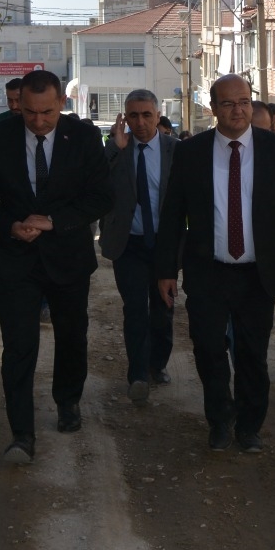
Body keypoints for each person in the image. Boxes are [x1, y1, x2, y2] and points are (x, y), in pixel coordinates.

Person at [154, 74, 275, 454]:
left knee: (252, 354)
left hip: (258, 273)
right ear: (213, 108)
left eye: (244, 102)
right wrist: (165, 270)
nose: (238, 110)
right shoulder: (192, 152)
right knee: (208, 349)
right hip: (208, 271)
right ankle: (220, 420)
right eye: (228, 103)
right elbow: (172, 214)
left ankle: (249, 425)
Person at [0, 70, 114, 464]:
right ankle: (21, 433)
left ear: (61, 103)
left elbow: (102, 196)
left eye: (47, 112)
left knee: (71, 337)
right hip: (16, 260)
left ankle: (68, 401)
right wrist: (10, 226)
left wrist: (54, 221)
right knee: (19, 347)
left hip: (69, 257)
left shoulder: (84, 137)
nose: (37, 121)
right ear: (18, 104)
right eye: (29, 112)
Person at [99, 89, 177, 405]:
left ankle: (158, 364)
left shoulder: (176, 150)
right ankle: (138, 376)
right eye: (133, 115)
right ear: (125, 118)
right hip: (129, 244)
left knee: (162, 309)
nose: (140, 122)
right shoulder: (118, 149)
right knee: (134, 308)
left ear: (157, 116)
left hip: (164, 245)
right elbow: (94, 182)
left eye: (147, 115)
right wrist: (114, 148)